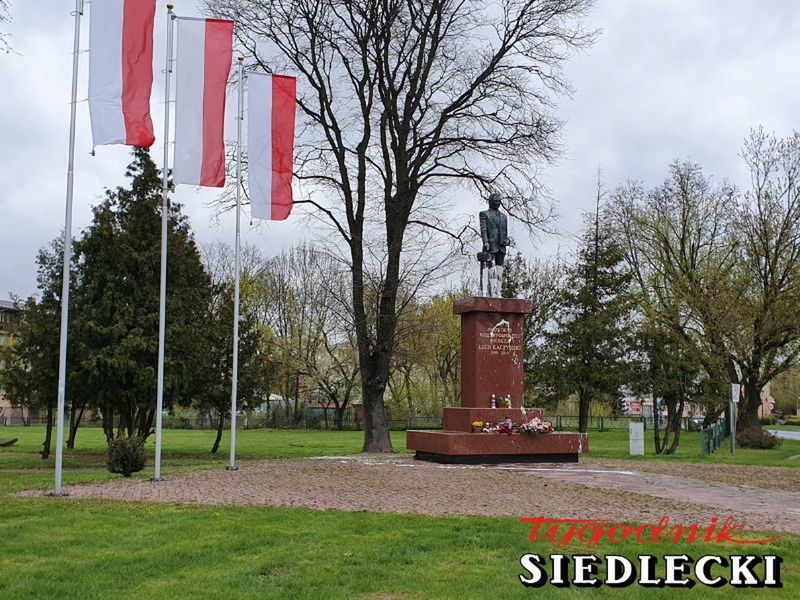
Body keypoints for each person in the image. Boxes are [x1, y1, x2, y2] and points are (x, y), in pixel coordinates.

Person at [479, 192, 510, 296]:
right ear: (490, 202)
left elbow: (505, 231)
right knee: (490, 268)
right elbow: (483, 230)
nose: (498, 203)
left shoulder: (504, 217)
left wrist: (507, 241)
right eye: (496, 201)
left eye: (499, 201)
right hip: (491, 246)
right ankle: (491, 291)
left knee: (499, 269)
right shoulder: (484, 214)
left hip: (501, 247)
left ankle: (498, 291)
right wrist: (486, 242)